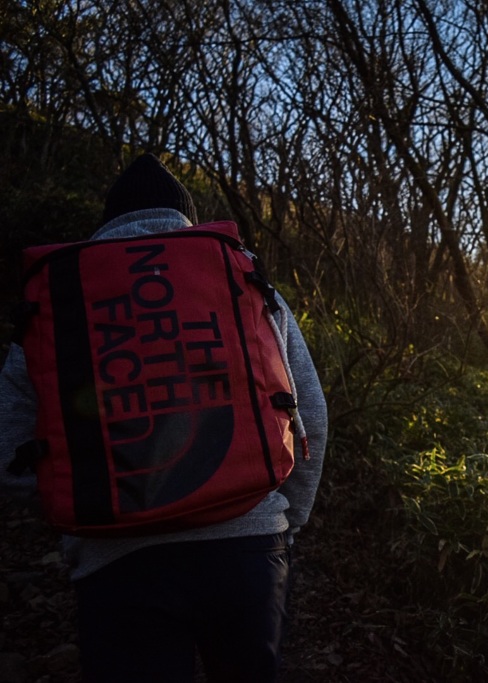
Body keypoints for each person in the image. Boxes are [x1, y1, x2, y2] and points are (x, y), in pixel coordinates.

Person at [0, 153, 328, 682]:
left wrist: (79, 511)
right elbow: (309, 409)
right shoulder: (238, 277)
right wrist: (288, 520)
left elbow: (9, 447)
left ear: (107, 222)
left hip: (117, 562)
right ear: (188, 222)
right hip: (247, 546)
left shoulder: (62, 297)